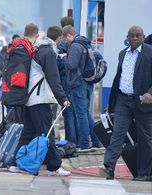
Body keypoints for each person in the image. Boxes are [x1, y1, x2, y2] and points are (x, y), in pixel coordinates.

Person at [8, 24, 71, 176]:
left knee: (28, 132)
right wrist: (62, 98)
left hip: (28, 97)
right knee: (46, 133)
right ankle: (55, 166)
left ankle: (15, 163)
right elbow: (53, 78)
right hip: (39, 98)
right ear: (56, 40)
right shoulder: (48, 52)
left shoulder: (34, 51)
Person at [100, 26, 152, 181]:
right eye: (132, 36)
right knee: (117, 134)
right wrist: (112, 102)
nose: (135, 38)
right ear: (127, 37)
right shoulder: (122, 54)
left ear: (143, 37)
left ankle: (145, 172)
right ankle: (109, 168)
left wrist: (150, 92)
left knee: (146, 138)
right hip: (123, 100)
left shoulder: (149, 52)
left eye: (138, 36)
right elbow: (119, 79)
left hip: (143, 101)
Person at [63, 25, 101, 152]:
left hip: (78, 84)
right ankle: (96, 140)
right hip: (87, 83)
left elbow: (72, 65)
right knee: (85, 113)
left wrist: (65, 58)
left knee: (81, 115)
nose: (65, 41)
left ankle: (84, 144)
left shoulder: (75, 45)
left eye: (65, 38)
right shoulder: (86, 43)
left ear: (69, 35)